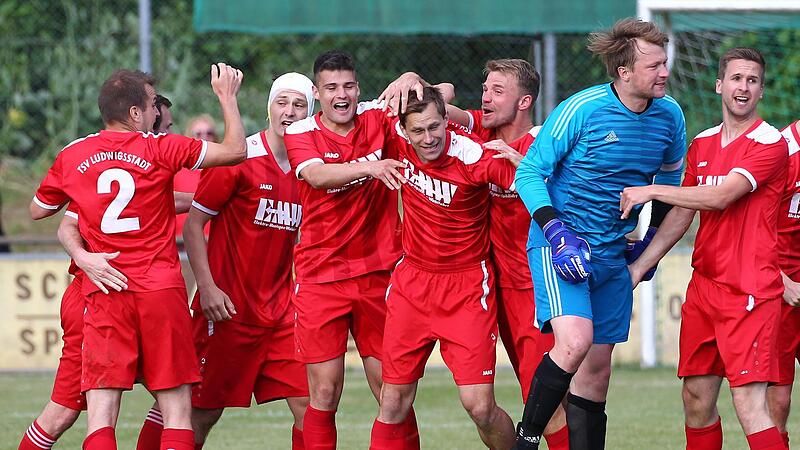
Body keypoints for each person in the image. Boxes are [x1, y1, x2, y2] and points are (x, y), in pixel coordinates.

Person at [29, 64, 247, 450]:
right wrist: (227, 97)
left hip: (106, 292)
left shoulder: (74, 154)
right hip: (158, 290)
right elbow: (234, 151)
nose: (155, 113)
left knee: (101, 413)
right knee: (175, 408)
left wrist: (80, 198)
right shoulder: (160, 148)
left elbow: (38, 210)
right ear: (135, 113)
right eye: (150, 105)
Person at [512, 18, 686, 449]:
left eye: (665, 63)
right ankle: (525, 442)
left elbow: (669, 183)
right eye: (654, 66)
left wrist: (646, 246)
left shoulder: (670, 116)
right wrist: (557, 233)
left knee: (596, 374)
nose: (664, 72)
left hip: (612, 255)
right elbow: (529, 174)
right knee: (574, 342)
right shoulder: (582, 109)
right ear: (624, 72)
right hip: (561, 244)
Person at [380, 59, 569, 449]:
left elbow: (567, 191)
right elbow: (438, 98)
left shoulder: (537, 146)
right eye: (485, 88)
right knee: (393, 399)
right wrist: (411, 77)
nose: (485, 96)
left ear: (524, 101)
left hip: (527, 287)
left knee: (543, 401)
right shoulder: (479, 130)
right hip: (480, 282)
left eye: (497, 91)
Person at [621, 47, 788, 450]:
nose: (743, 87)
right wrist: (640, 266)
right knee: (696, 401)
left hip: (749, 292)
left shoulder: (769, 143)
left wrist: (652, 190)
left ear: (761, 91)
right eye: (736, 78)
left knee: (749, 404)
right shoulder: (703, 143)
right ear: (719, 85)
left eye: (752, 80)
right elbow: (683, 212)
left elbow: (719, 197)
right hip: (704, 290)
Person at [368, 86, 517, 449]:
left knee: (479, 407)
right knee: (392, 401)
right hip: (412, 284)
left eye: (435, 127)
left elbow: (528, 186)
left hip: (466, 286)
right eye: (418, 130)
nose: (428, 137)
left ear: (446, 121)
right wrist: (407, 76)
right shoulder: (397, 141)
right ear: (404, 130)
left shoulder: (473, 156)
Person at [283, 50, 413, 449]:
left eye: (349, 86)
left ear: (359, 87)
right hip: (321, 277)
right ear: (318, 93)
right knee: (323, 394)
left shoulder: (377, 116)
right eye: (332, 87)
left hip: (379, 275)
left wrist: (410, 78)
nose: (342, 95)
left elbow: (438, 97)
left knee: (394, 393)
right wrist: (369, 166)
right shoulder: (300, 131)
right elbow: (318, 176)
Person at [182, 72, 315, 449]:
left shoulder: (311, 170)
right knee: (202, 412)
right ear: (268, 106)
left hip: (282, 313)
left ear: (312, 111)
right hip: (227, 311)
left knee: (311, 406)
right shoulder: (239, 158)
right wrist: (207, 289)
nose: (289, 112)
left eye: (299, 104)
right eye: (282, 102)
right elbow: (193, 227)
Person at [767, 119, 800, 448]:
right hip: (779, 282)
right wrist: (782, 280)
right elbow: (747, 228)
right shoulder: (781, 152)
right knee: (778, 394)